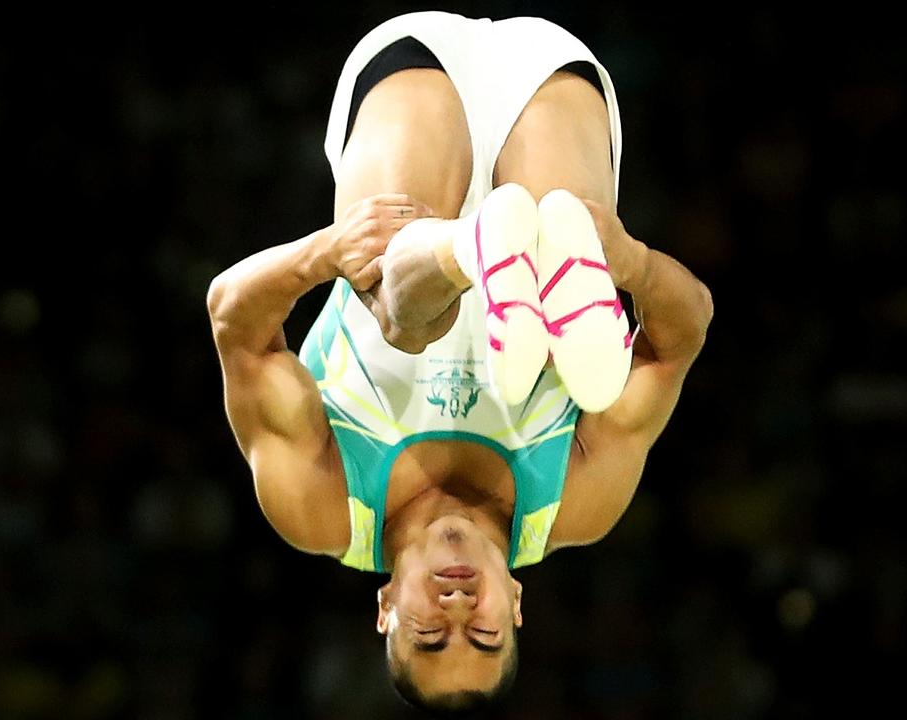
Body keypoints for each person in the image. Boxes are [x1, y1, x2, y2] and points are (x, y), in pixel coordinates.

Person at [206, 10, 713, 715]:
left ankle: (467, 248)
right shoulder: (578, 500)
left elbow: (232, 319)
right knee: (563, 229)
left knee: (400, 316)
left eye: (427, 635)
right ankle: (534, 254)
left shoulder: (321, 507)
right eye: (482, 636)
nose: (455, 610)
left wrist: (325, 253)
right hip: (553, 92)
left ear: (384, 609)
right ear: (516, 606)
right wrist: (629, 262)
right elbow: (683, 335)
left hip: (412, 93)